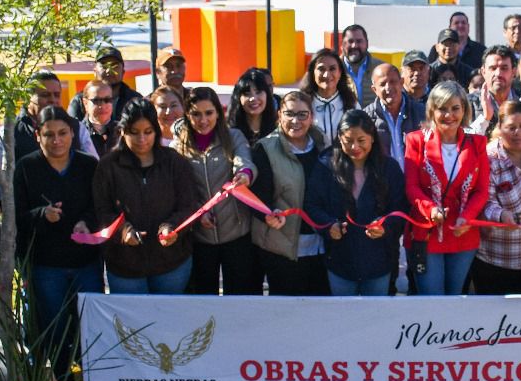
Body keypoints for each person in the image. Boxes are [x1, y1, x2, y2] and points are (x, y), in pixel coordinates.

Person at [13, 106, 100, 381]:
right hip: (45, 264)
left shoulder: (89, 166)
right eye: (48, 134)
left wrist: (86, 222)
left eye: (62, 133)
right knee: (56, 328)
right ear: (38, 136)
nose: (56, 140)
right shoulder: (25, 168)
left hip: (86, 261)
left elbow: (100, 205)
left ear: (73, 134)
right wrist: (41, 215)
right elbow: (15, 218)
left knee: (88, 326)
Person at [92, 98, 201, 295]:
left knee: (167, 320)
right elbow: (101, 210)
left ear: (156, 131)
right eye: (134, 133)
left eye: (148, 132)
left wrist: (173, 226)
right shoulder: (108, 166)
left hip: (172, 264)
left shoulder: (174, 161)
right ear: (123, 131)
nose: (142, 139)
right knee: (132, 324)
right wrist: (123, 231)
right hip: (125, 266)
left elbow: (189, 205)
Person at [305, 111, 407, 296]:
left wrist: (386, 227)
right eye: (348, 140)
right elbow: (312, 205)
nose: (355, 147)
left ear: (372, 138)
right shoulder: (326, 166)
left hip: (379, 260)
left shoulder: (389, 168)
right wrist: (328, 226)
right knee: (343, 317)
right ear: (339, 138)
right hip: (340, 261)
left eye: (361, 140)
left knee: (375, 317)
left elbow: (400, 207)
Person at [403, 82, 490, 295]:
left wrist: (468, 216)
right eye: (442, 108)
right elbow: (411, 187)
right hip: (426, 232)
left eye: (455, 108)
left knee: (455, 299)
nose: (449, 115)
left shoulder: (477, 143)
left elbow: (482, 190)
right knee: (432, 300)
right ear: (432, 110)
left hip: (463, 233)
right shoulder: (416, 141)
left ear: (464, 110)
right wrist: (430, 209)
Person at [173, 87, 256, 296]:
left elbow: (244, 160)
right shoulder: (178, 147)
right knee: (205, 297)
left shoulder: (233, 137)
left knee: (238, 297)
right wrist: (197, 212)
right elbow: (178, 190)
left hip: (236, 234)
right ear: (187, 115)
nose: (203, 120)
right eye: (196, 114)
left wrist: (244, 175)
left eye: (209, 113)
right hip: (201, 239)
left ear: (218, 113)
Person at [248, 91, 330, 295]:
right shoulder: (265, 149)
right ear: (279, 115)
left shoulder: (323, 145)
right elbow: (256, 197)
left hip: (320, 245)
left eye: (302, 114)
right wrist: (268, 214)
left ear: (311, 116)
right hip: (282, 246)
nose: (296, 121)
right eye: (289, 114)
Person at [473, 102, 521, 294]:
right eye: (511, 127)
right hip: (497, 261)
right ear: (499, 127)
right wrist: (502, 215)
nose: (518, 133)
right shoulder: (489, 157)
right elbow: (484, 201)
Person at [15, 71, 94, 161]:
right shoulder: (12, 131)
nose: (52, 100)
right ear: (28, 97)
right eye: (45, 95)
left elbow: (94, 168)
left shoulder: (77, 127)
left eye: (56, 95)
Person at [364, 62, 426, 165]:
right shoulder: (366, 118)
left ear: (401, 82)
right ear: (374, 89)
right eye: (382, 84)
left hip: (416, 179)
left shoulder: (421, 112)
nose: (388, 87)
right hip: (383, 180)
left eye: (393, 82)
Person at [300, 48, 358, 149]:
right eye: (321, 69)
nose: (327, 75)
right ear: (312, 72)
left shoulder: (352, 103)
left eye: (332, 69)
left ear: (340, 72)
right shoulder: (302, 103)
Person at [69, 46, 141, 124]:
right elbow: (72, 129)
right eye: (104, 65)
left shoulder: (135, 100)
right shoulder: (80, 100)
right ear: (95, 71)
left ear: (123, 71)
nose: (108, 70)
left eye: (114, 66)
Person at [468, 45, 521, 136]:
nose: (498, 73)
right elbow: (463, 141)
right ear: (483, 72)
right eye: (493, 68)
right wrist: (485, 119)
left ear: (513, 72)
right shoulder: (467, 103)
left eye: (504, 68)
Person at [230, 68, 277, 147]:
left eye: (258, 92)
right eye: (247, 94)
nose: (253, 98)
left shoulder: (278, 128)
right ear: (239, 98)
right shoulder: (230, 132)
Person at [339, 24, 377, 106]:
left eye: (359, 41)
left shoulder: (380, 69)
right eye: (350, 41)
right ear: (342, 45)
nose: (354, 46)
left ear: (367, 43)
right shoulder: (333, 69)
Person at [79, 79, 119, 157]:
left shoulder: (123, 132)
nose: (102, 106)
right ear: (85, 103)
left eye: (107, 100)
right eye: (96, 101)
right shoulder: (78, 133)